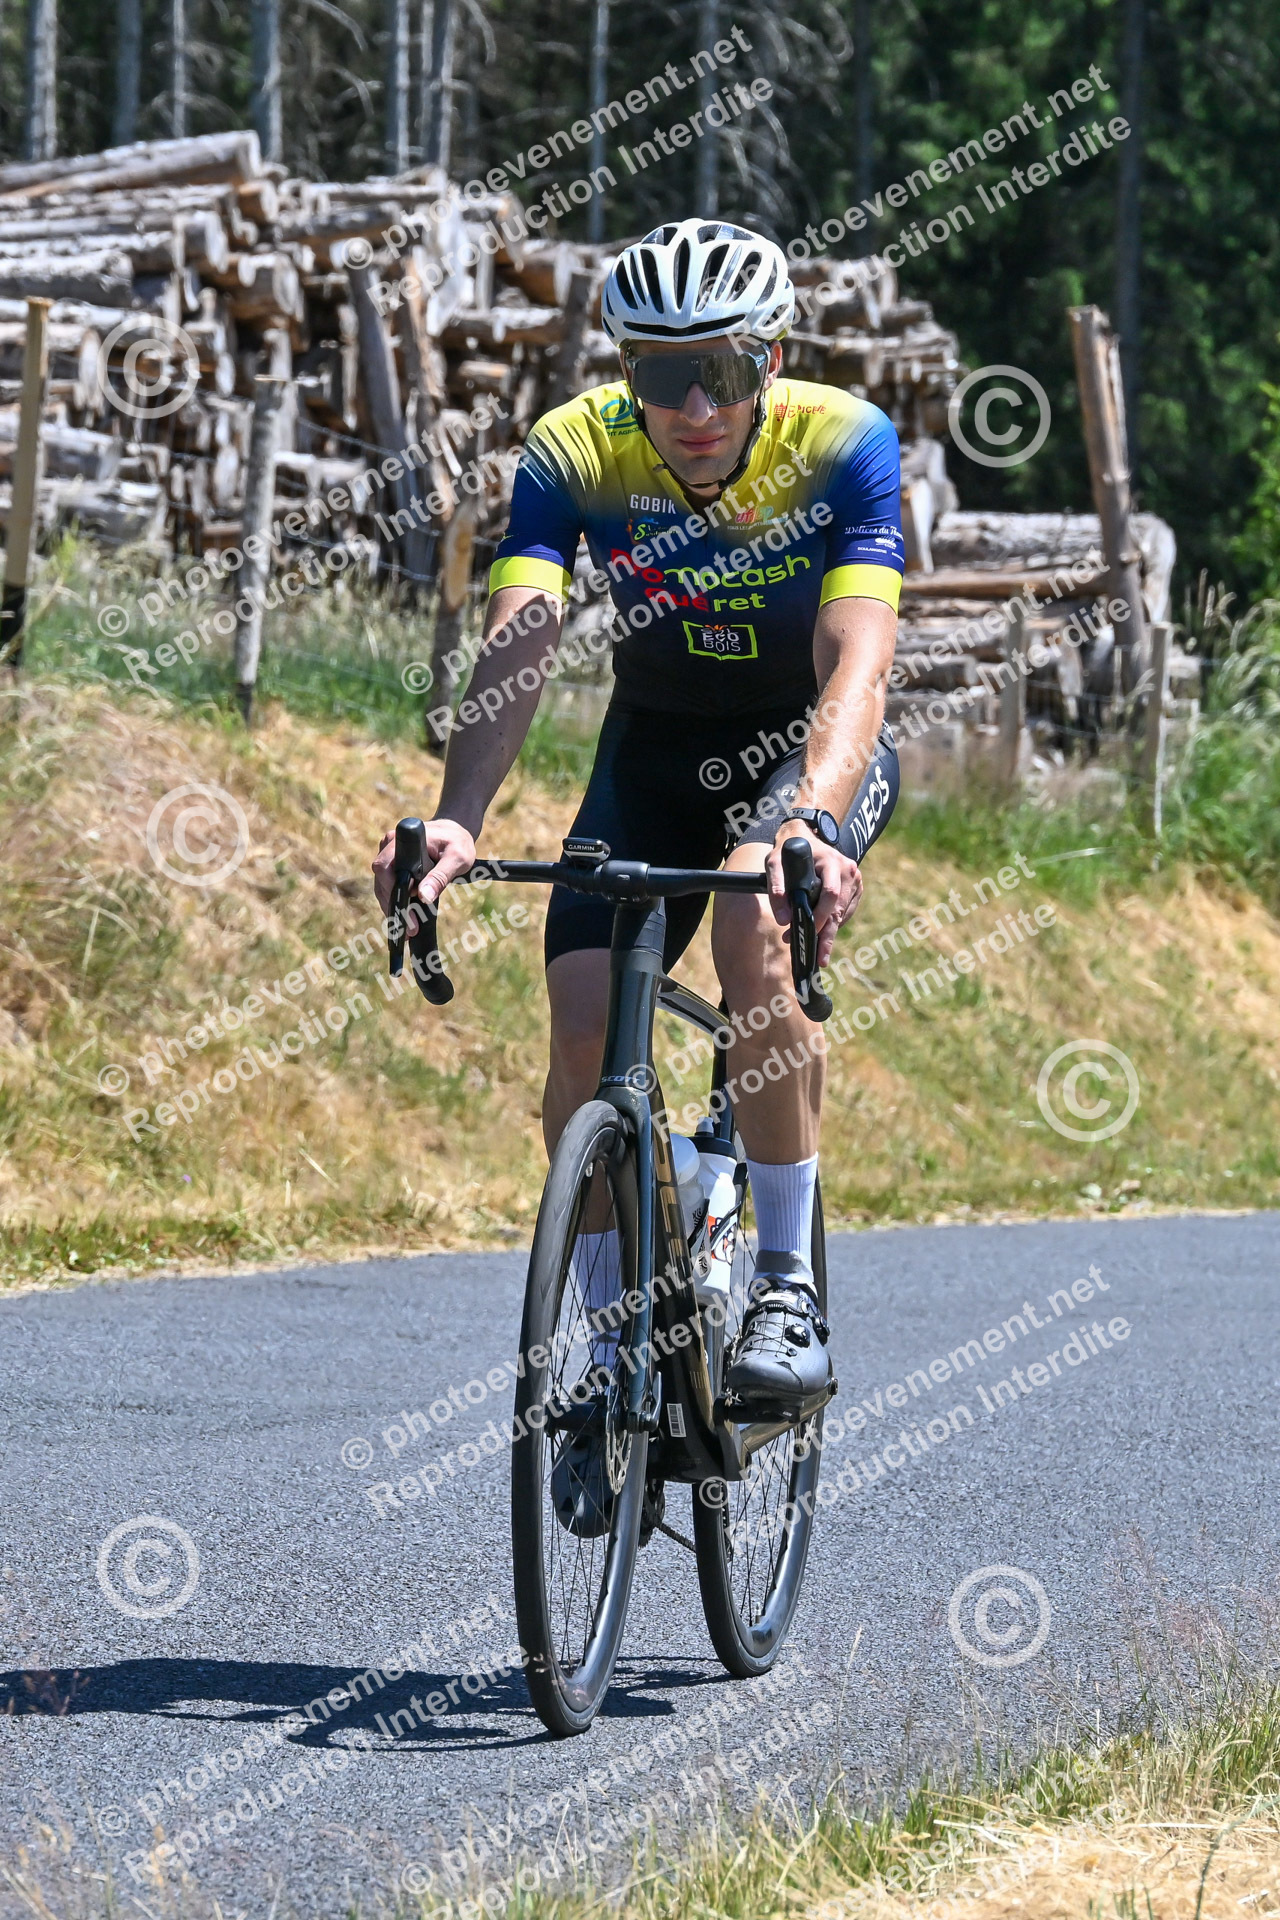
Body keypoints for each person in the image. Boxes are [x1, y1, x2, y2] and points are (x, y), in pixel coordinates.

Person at [373, 217, 902, 1442]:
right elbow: (519, 639)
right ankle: (616, 1348)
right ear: (624, 371)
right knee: (577, 1018)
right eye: (662, 374)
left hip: (801, 748)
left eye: (721, 369)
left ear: (770, 359)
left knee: (750, 927)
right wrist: (456, 819)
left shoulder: (842, 440)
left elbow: (857, 663)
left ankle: (784, 1289)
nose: (694, 407)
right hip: (653, 745)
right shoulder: (575, 448)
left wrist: (812, 821)